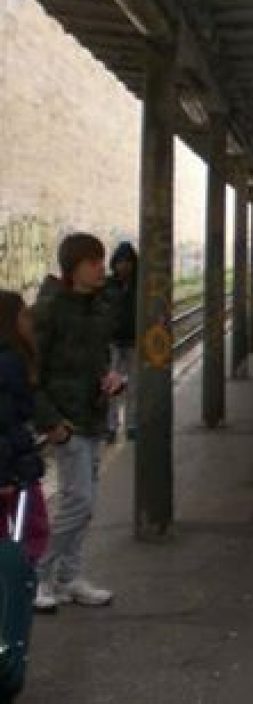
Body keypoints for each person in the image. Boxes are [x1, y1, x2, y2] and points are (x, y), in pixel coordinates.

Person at [31, 233, 121, 610]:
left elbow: (99, 360)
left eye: (101, 260)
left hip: (93, 415)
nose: (102, 267)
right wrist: (51, 421)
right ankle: (36, 575)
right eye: (93, 262)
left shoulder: (98, 307)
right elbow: (30, 372)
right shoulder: (49, 310)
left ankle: (69, 577)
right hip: (67, 422)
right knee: (78, 501)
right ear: (73, 268)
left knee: (86, 503)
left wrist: (113, 378)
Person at [0, 291, 51, 571]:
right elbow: (5, 422)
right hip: (14, 469)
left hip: (14, 464)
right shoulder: (9, 364)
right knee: (33, 531)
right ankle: (24, 583)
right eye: (23, 315)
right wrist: (6, 475)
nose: (30, 321)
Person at [104, 241, 138, 441]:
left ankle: (132, 425)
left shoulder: (140, 285)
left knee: (134, 386)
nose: (124, 266)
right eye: (120, 261)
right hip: (114, 341)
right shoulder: (108, 285)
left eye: (128, 261)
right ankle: (111, 426)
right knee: (112, 387)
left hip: (134, 341)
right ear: (114, 263)